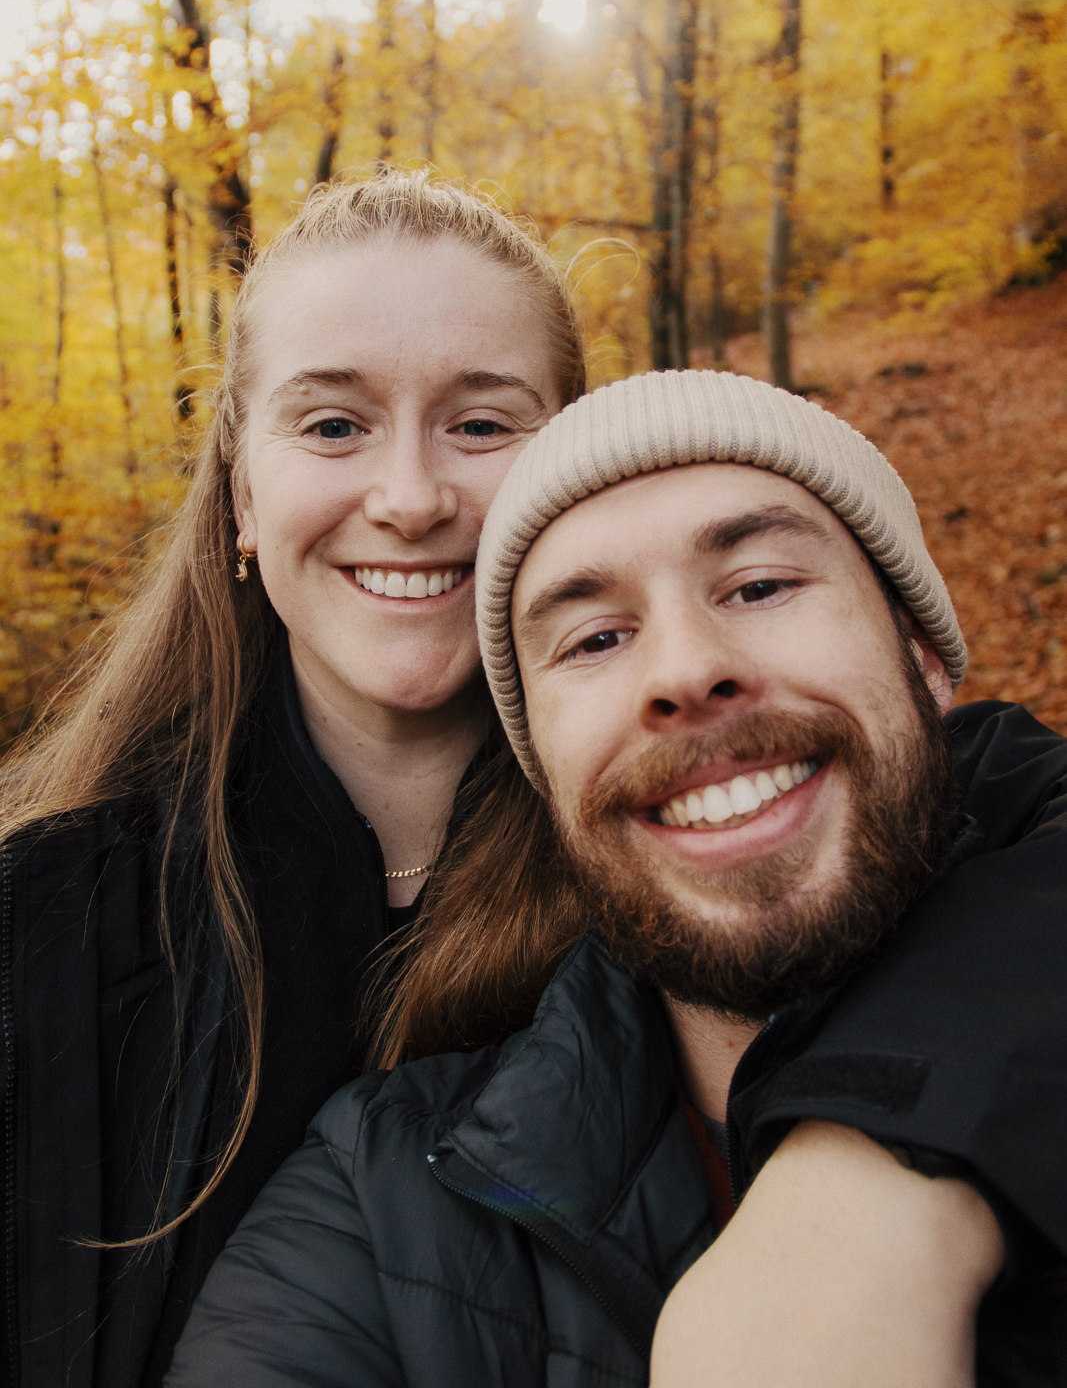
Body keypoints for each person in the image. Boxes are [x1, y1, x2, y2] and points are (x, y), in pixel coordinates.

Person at [165, 369, 1067, 1388]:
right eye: (593, 639)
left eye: (760, 584)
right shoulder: (370, 1212)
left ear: (919, 654)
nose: (684, 670)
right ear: (540, 771)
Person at [0, 169, 584, 1387]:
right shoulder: (36, 927)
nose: (412, 496)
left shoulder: (703, 874)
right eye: (332, 424)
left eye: (480, 424)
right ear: (240, 498)